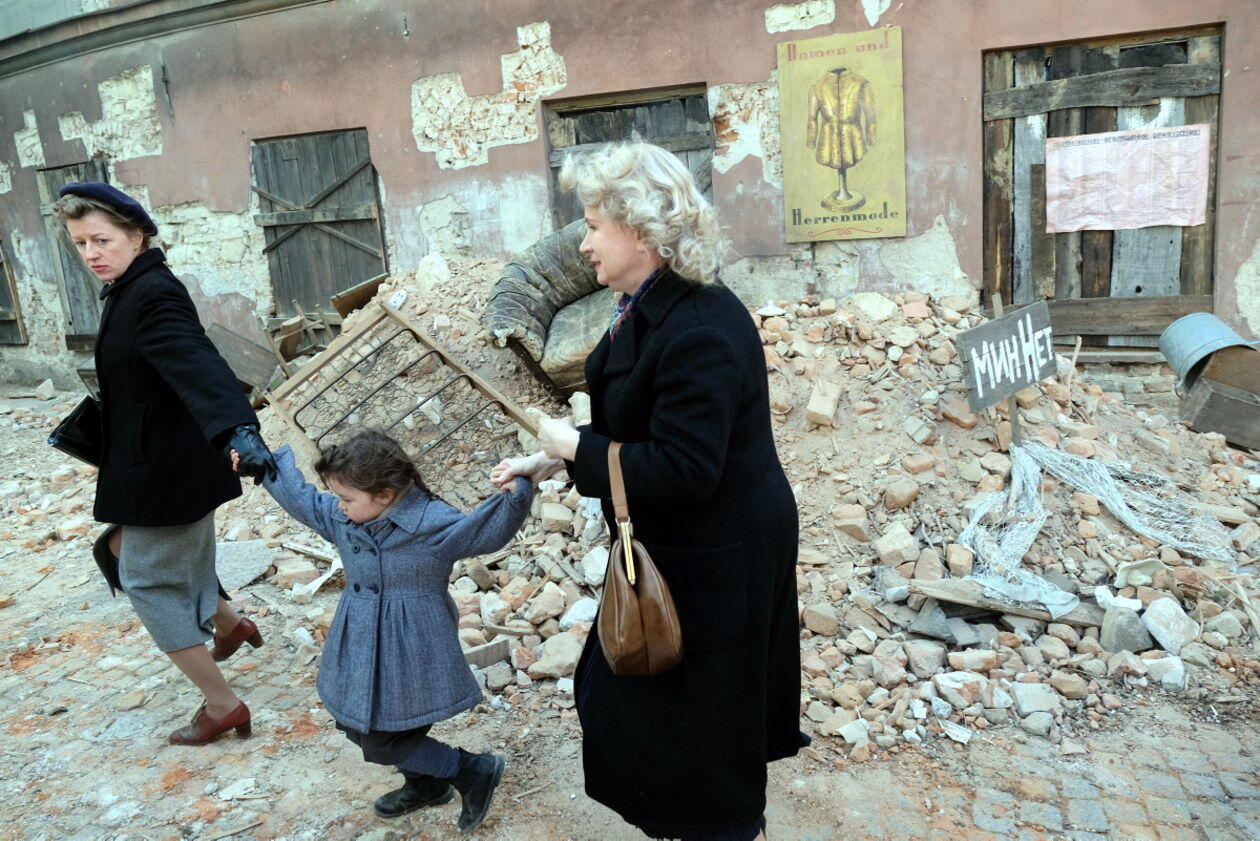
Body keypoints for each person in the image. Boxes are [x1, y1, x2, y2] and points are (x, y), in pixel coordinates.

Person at [492, 142, 806, 841]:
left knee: (706, 725)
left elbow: (685, 467)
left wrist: (577, 447)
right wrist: (551, 460)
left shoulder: (701, 326)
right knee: (652, 709)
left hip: (717, 552)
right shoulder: (647, 304)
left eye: (594, 226)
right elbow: (644, 423)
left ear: (640, 232)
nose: (583, 243)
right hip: (685, 542)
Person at [52, 182, 278, 746]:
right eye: (80, 243)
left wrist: (239, 429)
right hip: (163, 463)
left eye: (101, 240)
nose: (91, 254)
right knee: (125, 547)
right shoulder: (132, 286)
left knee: (146, 580)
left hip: (166, 472)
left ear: (136, 235)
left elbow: (200, 364)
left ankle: (223, 705)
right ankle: (231, 625)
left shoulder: (151, 294)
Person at [243, 430, 556, 832]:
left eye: (347, 498)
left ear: (384, 495)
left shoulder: (430, 523)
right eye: (338, 498)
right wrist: (266, 467)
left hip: (412, 648)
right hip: (358, 640)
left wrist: (517, 492)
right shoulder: (346, 517)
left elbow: (486, 530)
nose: (339, 506)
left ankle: (470, 770)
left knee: (384, 739)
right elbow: (304, 501)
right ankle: (426, 785)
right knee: (353, 721)